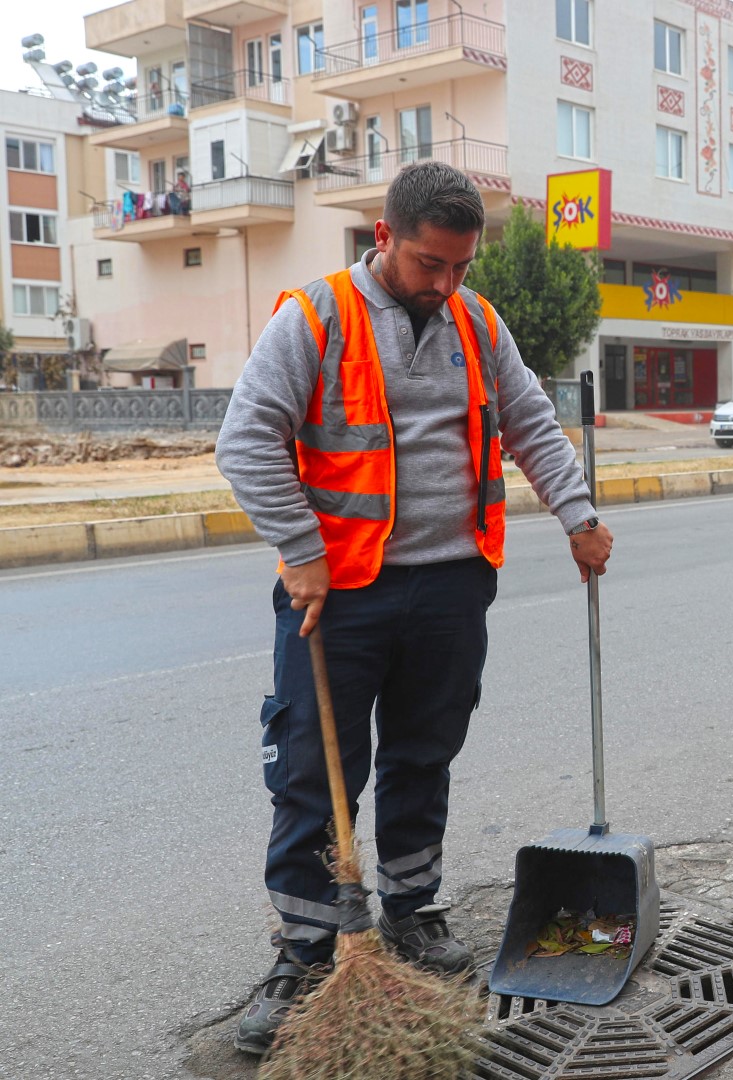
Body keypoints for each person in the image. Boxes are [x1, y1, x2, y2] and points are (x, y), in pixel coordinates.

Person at [215, 161, 613, 1053]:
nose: (447, 283)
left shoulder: (476, 319)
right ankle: (306, 951)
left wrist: (578, 515)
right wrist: (300, 549)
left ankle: (411, 910)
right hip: (340, 593)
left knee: (424, 755)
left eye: (462, 266)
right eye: (432, 264)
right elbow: (245, 440)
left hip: (450, 584)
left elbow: (530, 422)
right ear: (385, 238)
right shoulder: (317, 317)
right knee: (316, 774)